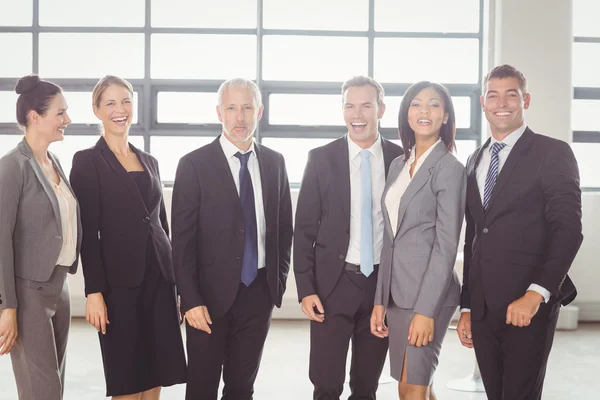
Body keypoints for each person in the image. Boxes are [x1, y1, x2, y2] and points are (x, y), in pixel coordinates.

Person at [457, 64, 583, 400]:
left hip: (527, 304)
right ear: (483, 103)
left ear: (525, 100)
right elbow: (474, 238)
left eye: (511, 95)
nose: (502, 103)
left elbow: (568, 230)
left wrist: (535, 294)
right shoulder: (474, 159)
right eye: (494, 96)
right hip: (483, 308)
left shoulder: (552, 153)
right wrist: (467, 306)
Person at [171, 78, 293, 400]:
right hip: (207, 300)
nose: (240, 117)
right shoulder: (193, 165)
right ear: (219, 112)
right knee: (202, 388)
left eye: (247, 107)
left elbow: (283, 229)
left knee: (241, 388)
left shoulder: (275, 163)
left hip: (258, 294)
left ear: (260, 111)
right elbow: (181, 242)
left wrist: (275, 282)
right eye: (231, 108)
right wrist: (190, 299)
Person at [69, 75, 186, 399]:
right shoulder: (87, 161)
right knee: (126, 377)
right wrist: (94, 292)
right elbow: (87, 234)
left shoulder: (150, 161)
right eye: (110, 103)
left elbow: (161, 223)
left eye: (126, 101)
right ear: (96, 110)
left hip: (160, 280)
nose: (120, 110)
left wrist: (177, 285)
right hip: (118, 286)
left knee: (156, 372)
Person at [294, 75, 402, 399]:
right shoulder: (321, 159)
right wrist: (305, 289)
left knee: (366, 386)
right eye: (350, 105)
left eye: (366, 105)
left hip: (381, 287)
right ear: (342, 110)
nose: (358, 114)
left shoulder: (401, 159)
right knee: (326, 384)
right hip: (333, 285)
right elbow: (304, 229)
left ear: (381, 109)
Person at [370, 81, 466, 400]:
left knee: (411, 386)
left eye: (434, 104)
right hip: (398, 297)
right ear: (406, 115)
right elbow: (390, 238)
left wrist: (426, 311)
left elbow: (446, 245)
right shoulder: (399, 164)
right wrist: (380, 300)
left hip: (429, 297)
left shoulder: (449, 168)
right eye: (416, 104)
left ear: (447, 117)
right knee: (416, 384)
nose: (424, 110)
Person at [0, 74, 81, 399]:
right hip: (28, 293)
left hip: (58, 287)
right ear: (35, 117)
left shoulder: (55, 162)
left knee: (54, 388)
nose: (67, 120)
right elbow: (1, 239)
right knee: (41, 392)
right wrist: (7, 307)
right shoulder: (12, 166)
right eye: (60, 113)